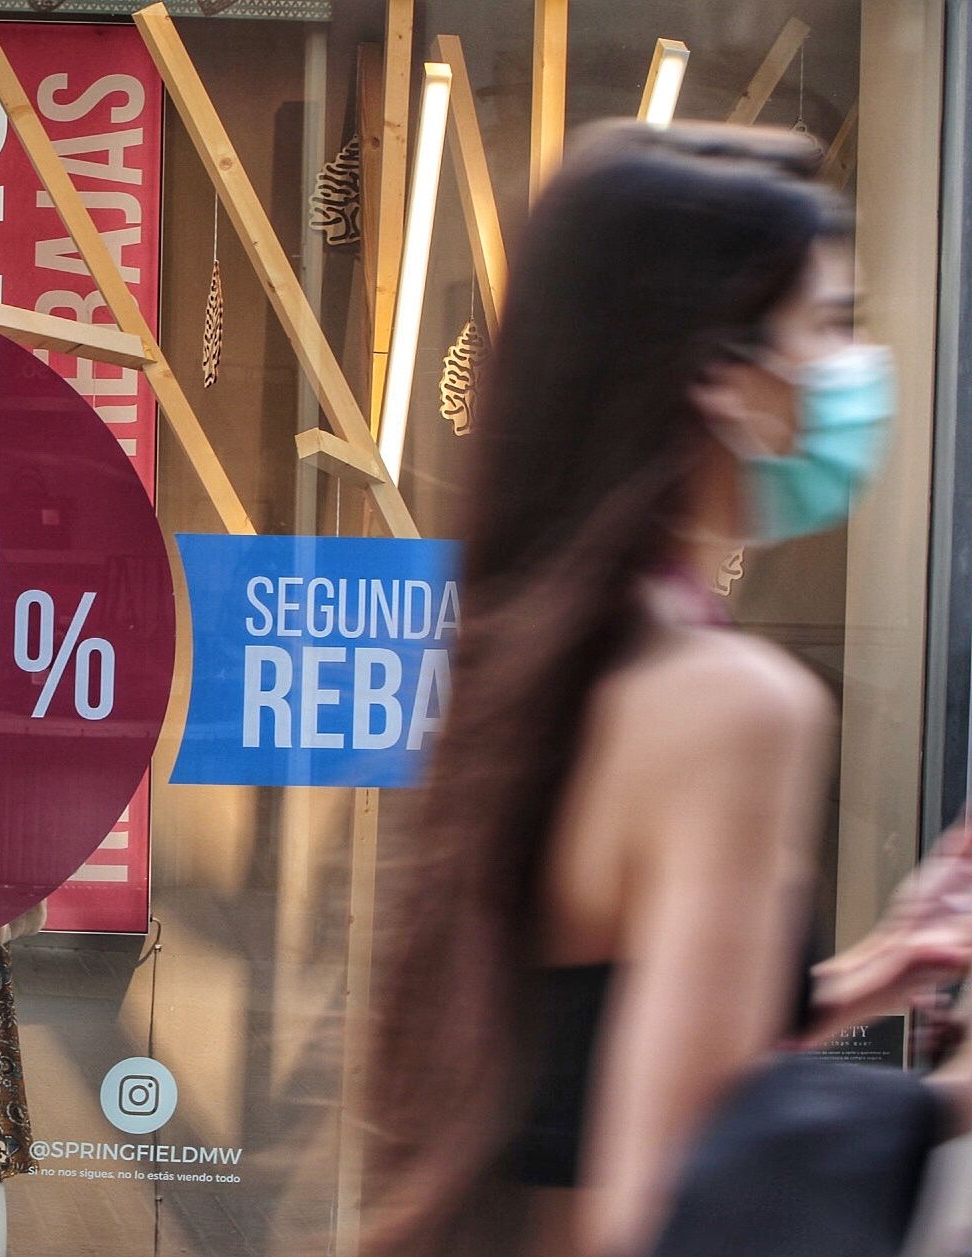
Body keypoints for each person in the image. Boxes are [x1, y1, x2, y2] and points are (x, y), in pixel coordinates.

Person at [363, 121, 972, 1257]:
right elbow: (684, 1198)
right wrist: (942, 1103)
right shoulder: (733, 704)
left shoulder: (558, 652)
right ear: (718, 376)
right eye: (830, 327)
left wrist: (867, 978)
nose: (857, 370)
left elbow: (585, 1060)